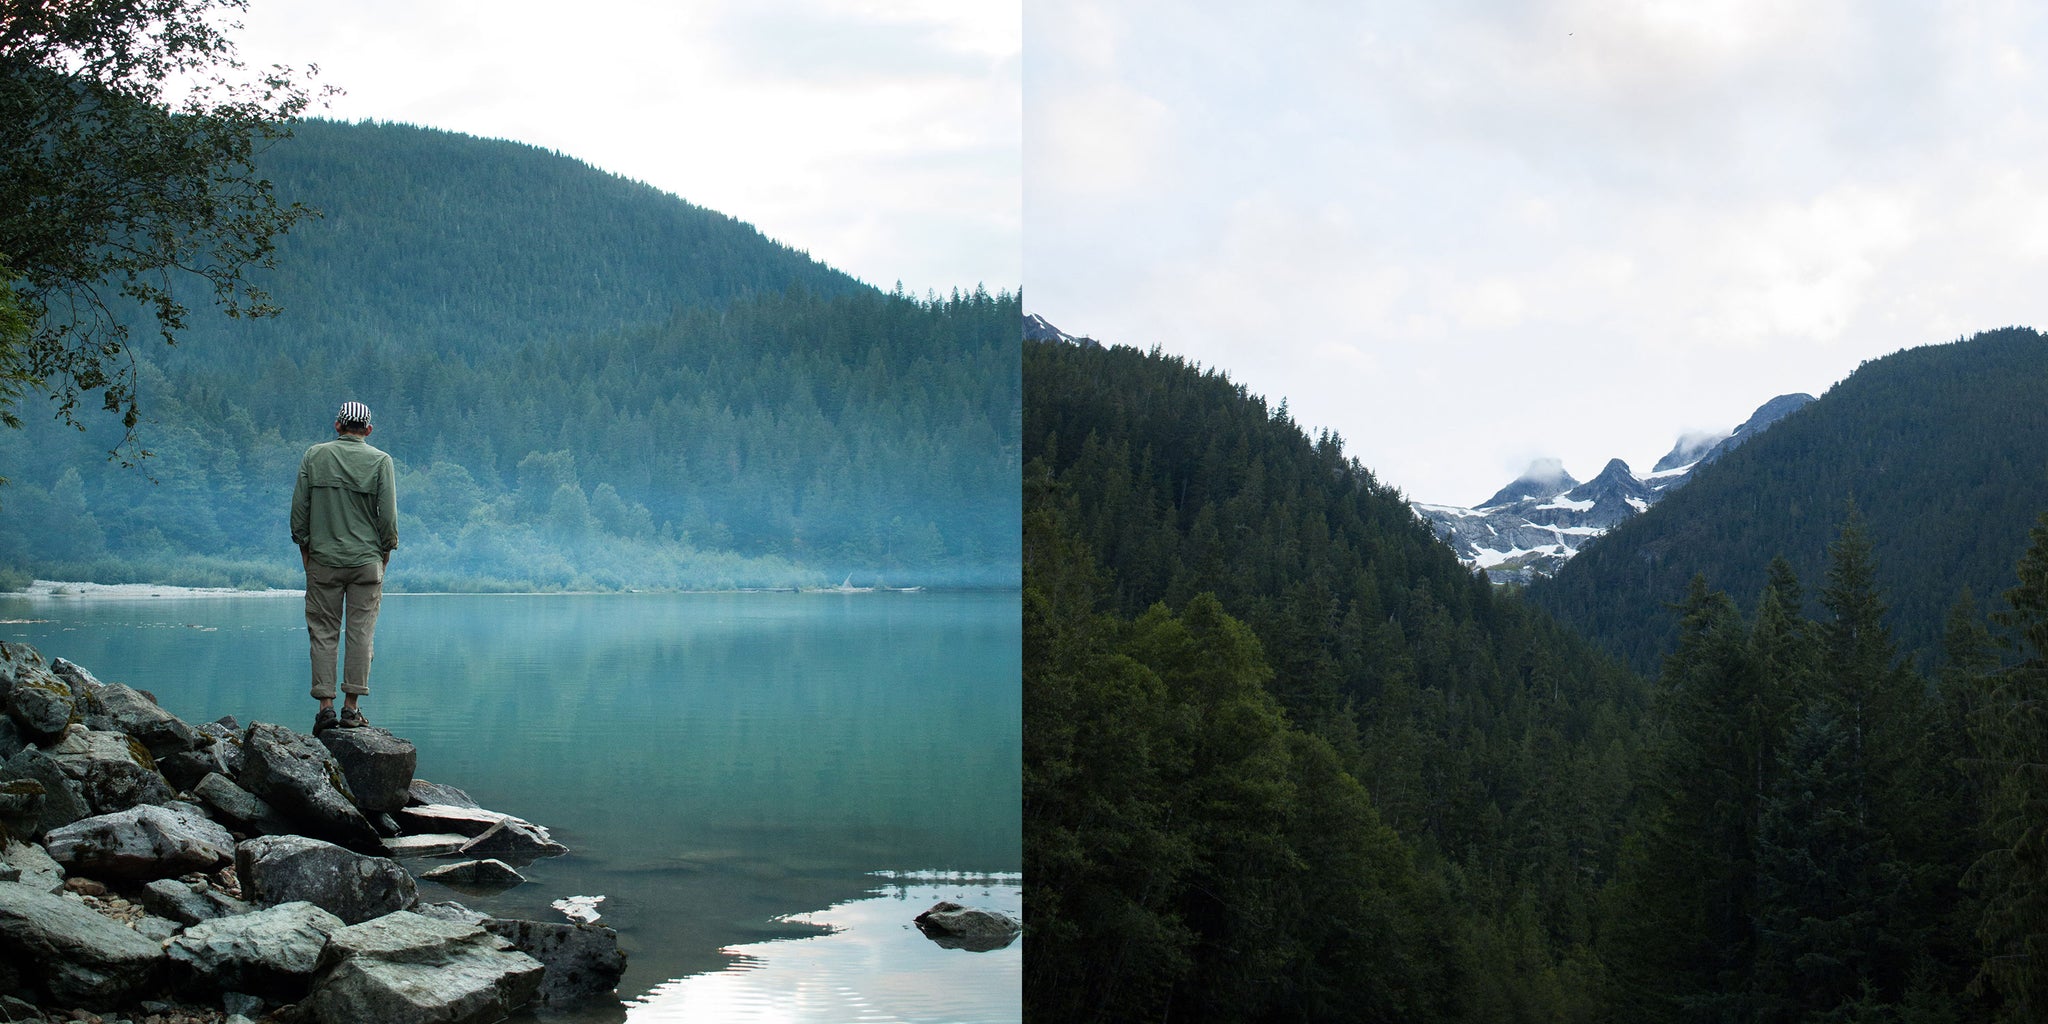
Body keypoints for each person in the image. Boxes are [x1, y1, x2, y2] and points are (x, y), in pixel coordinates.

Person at [290, 400, 397, 734]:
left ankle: (325, 707)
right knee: (361, 633)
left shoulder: (314, 456)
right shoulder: (381, 461)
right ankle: (351, 707)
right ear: (368, 430)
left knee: (323, 632)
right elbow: (388, 517)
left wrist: (306, 548)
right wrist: (385, 553)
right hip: (366, 562)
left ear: (337, 425)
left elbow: (299, 511)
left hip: (323, 560)